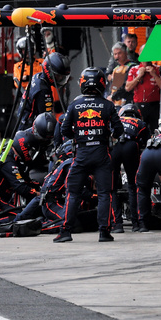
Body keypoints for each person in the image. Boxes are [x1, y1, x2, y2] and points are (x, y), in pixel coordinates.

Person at [54, 67, 119, 243]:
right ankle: (104, 232)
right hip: (102, 154)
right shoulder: (108, 105)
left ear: (83, 83)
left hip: (81, 154)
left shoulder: (75, 105)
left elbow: (64, 130)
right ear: (101, 83)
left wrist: (80, 134)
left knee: (72, 192)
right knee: (105, 193)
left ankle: (65, 232)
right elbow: (119, 131)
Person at [111, 104, 149, 232]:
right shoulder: (140, 122)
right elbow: (147, 143)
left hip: (114, 147)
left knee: (112, 188)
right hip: (131, 147)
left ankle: (117, 225)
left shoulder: (115, 119)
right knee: (133, 186)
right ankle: (137, 223)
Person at [19, 50, 68, 131]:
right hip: (30, 128)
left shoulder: (37, 76)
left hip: (23, 120)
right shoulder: (43, 90)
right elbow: (46, 120)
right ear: (49, 72)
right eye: (58, 76)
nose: (60, 79)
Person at [125, 57, 161, 131]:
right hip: (139, 105)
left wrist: (154, 75)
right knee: (139, 129)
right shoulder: (134, 69)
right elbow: (128, 88)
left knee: (155, 130)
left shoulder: (158, 69)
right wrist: (139, 76)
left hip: (155, 105)